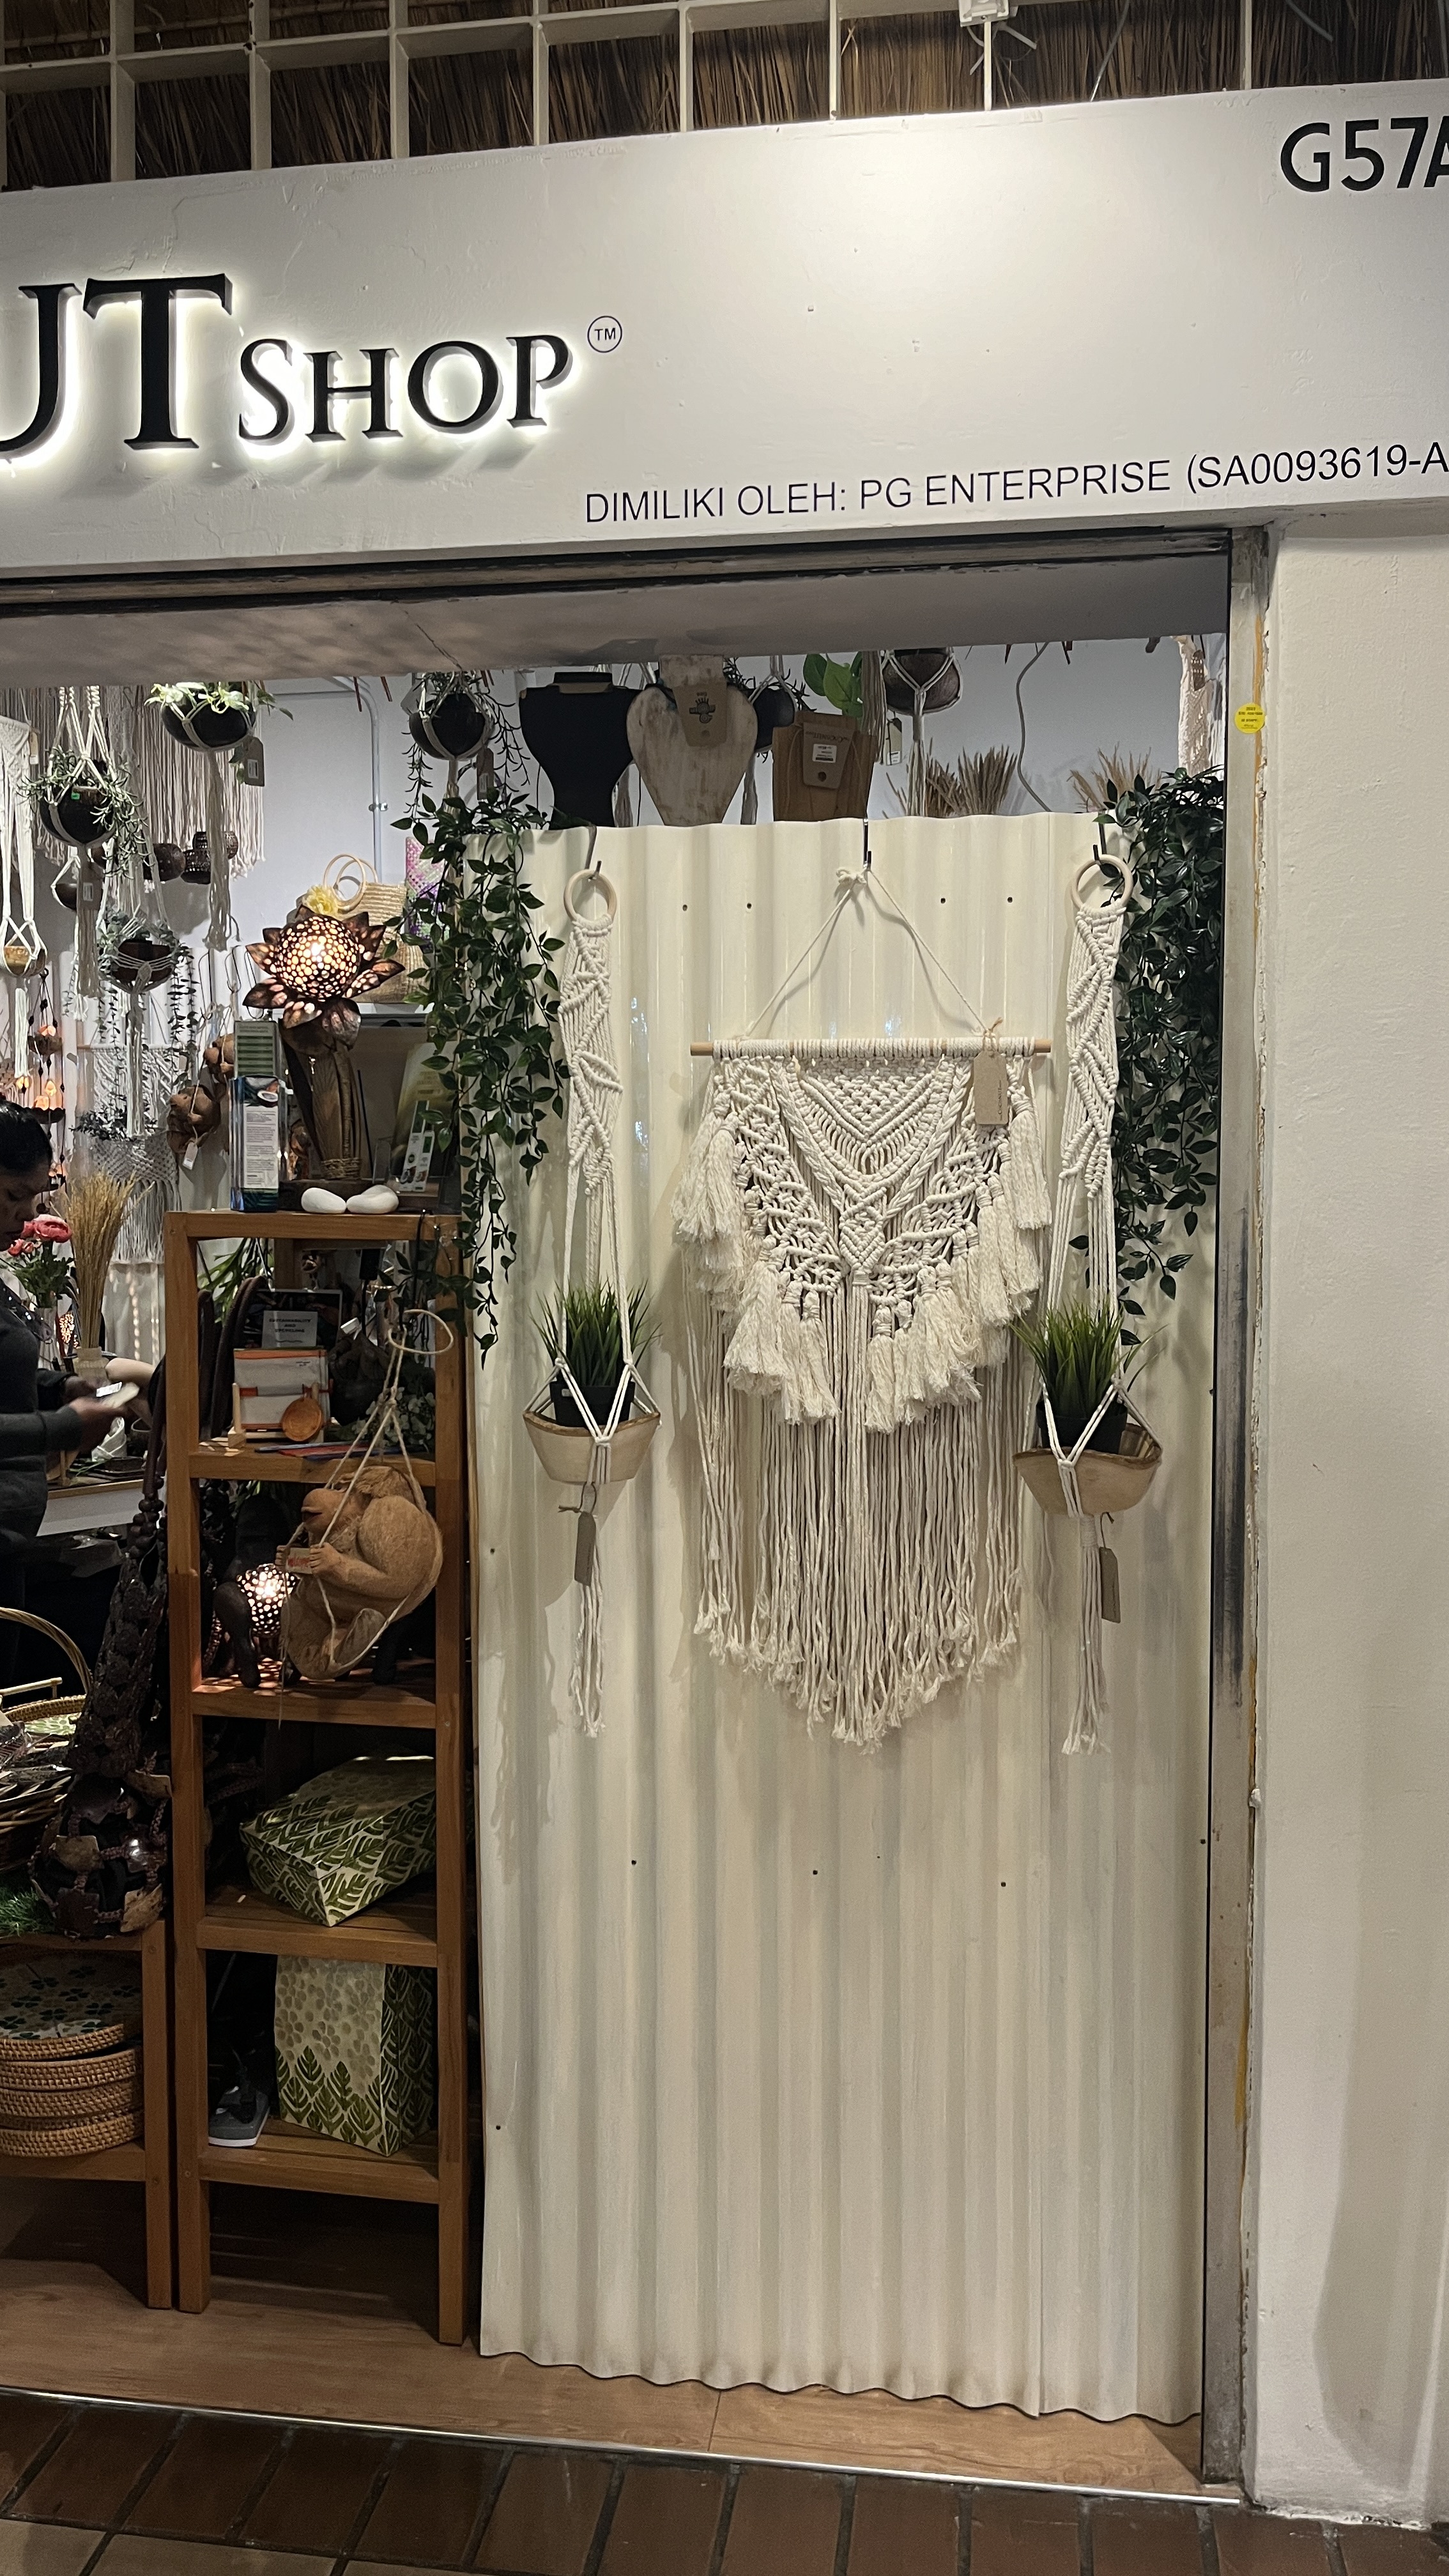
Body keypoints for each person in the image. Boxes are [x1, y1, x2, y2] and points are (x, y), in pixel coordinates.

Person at [0, 1110, 135, 1688]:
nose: (27, 1215)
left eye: (34, 1196)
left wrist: (59, 1387)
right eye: (13, 1195)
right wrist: (60, 1426)